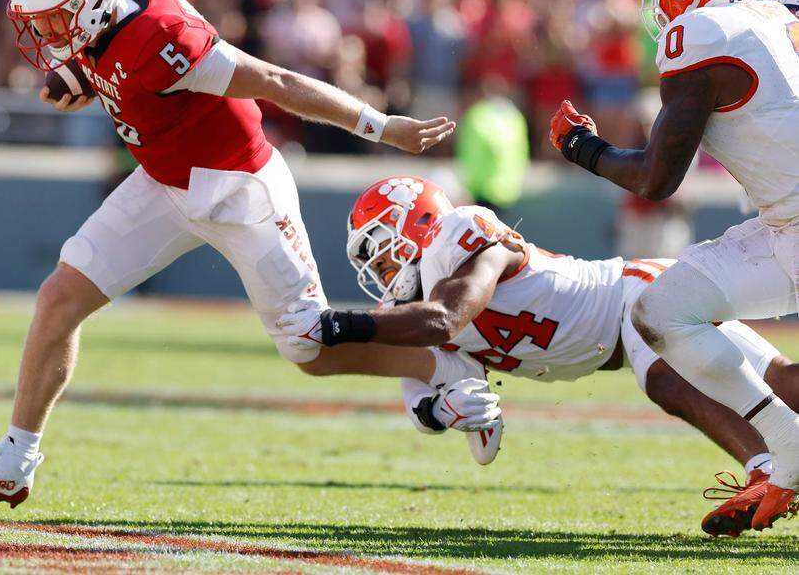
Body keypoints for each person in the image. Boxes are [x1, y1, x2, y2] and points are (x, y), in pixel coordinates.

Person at [0, 0, 455, 507]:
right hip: (163, 182)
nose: (46, 35)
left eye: (54, 20)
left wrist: (379, 124)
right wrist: (80, 73)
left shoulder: (165, 36)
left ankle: (435, 363)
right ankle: (16, 458)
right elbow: (105, 57)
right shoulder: (104, 13)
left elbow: (277, 83)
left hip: (239, 188)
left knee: (309, 347)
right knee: (60, 297)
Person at [277, 175, 799, 537]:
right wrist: (442, 412)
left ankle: (766, 469)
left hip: (634, 295)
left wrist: (336, 324)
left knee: (664, 379)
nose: (383, 272)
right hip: (617, 329)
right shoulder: (412, 307)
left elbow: (447, 319)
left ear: (416, 223)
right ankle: (774, 465)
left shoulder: (460, 235)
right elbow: (423, 382)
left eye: (381, 249)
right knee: (783, 384)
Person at [546, 0, 799, 530]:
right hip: (785, 226)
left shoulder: (703, 32)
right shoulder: (778, 19)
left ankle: (787, 443)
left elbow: (657, 180)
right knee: (665, 305)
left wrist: (584, 149)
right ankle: (788, 449)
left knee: (661, 313)